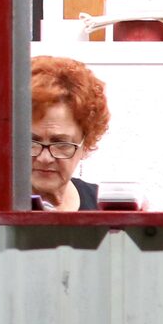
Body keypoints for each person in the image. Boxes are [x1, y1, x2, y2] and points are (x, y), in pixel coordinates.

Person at [29, 54, 108, 211]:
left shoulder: (105, 210)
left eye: (60, 144)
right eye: (31, 142)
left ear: (86, 144)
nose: (44, 158)